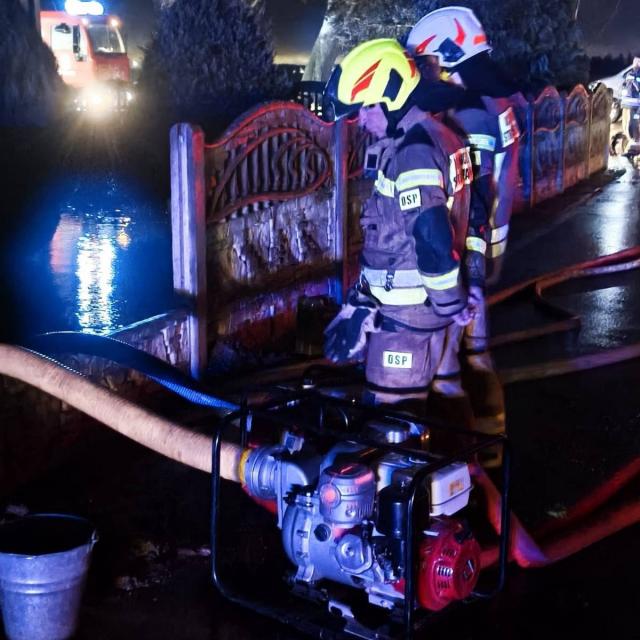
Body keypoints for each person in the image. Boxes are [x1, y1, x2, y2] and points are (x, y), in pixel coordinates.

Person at [322, 38, 473, 413]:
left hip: (406, 322)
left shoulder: (414, 153)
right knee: (443, 408)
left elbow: (432, 238)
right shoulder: (441, 135)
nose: (361, 120)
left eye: (366, 107)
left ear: (391, 99)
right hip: (422, 314)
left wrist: (450, 303)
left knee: (392, 424)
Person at [406, 7, 521, 461]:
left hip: (466, 247)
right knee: (476, 350)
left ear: (445, 58)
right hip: (482, 244)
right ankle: (488, 451)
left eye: (426, 63)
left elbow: (470, 197)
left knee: (446, 368)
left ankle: (461, 467)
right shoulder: (493, 100)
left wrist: (468, 275)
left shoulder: (468, 113)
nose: (422, 73)